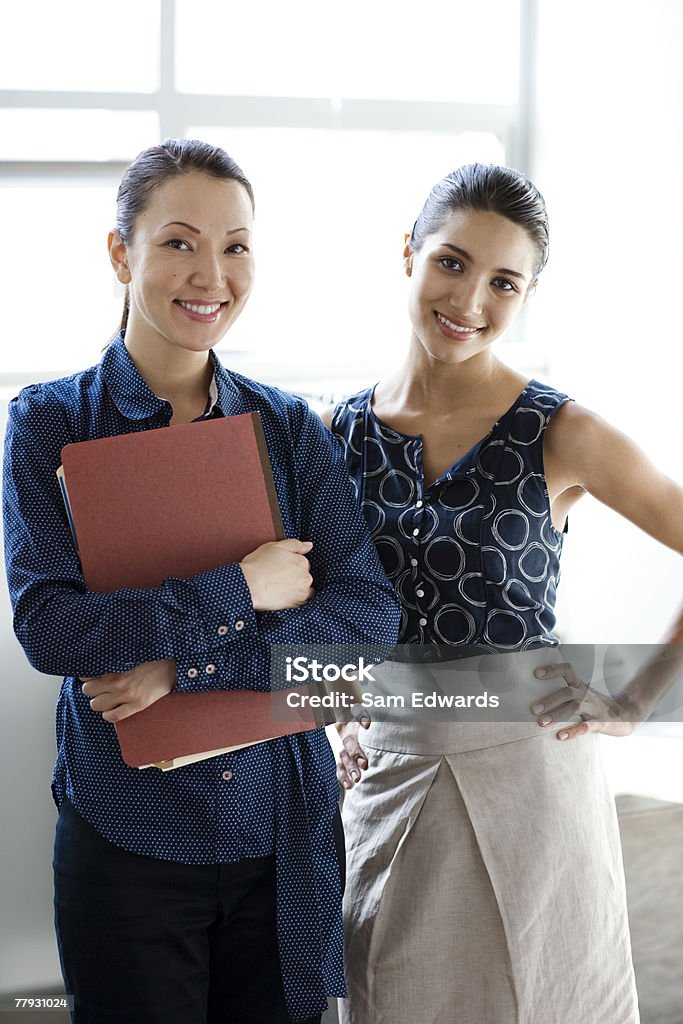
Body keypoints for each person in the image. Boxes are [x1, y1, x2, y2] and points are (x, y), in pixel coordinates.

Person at [2, 138, 400, 1024]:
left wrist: (182, 669)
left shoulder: (289, 428)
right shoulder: (49, 425)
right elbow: (54, 632)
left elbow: (367, 621)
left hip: (282, 835)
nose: (210, 273)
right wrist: (242, 587)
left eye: (235, 245)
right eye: (178, 241)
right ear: (121, 254)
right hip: (126, 837)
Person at [325, 163, 683, 1024]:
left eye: (503, 282)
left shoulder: (562, 430)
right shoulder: (336, 429)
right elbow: (325, 597)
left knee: (544, 996)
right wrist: (335, 710)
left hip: (531, 776)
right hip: (391, 769)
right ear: (407, 253)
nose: (470, 299)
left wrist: (634, 701)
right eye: (450, 263)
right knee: (389, 994)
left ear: (527, 294)